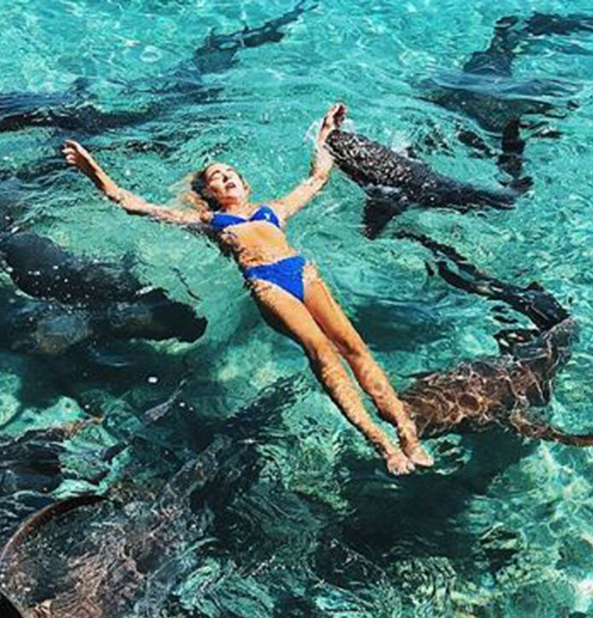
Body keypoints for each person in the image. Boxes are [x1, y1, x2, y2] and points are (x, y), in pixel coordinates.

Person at [61, 104, 432, 475]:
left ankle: (406, 432)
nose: (226, 177)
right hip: (268, 284)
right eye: (216, 177)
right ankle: (381, 443)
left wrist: (326, 134)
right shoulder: (209, 220)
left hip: (302, 273)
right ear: (209, 192)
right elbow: (134, 204)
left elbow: (317, 178)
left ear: (245, 183)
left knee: (354, 346)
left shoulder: (274, 209)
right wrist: (93, 171)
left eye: (230, 172)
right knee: (322, 353)